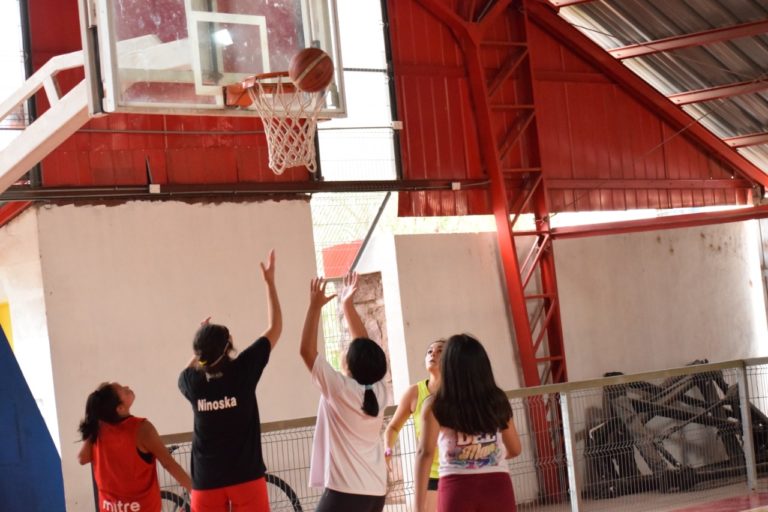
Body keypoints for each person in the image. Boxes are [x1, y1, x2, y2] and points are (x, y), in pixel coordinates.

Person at [178, 249, 281, 512]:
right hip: (246, 477)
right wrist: (270, 284)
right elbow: (275, 327)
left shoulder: (194, 383)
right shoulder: (243, 370)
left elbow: (185, 372)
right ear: (228, 348)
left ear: (200, 354)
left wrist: (200, 349)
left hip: (206, 482)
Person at [300, 273, 389, 512]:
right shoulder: (379, 389)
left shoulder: (340, 389)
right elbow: (364, 346)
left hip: (346, 493)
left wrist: (314, 307)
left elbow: (306, 351)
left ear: (349, 364)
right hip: (376, 491)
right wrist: (347, 304)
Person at [415, 334, 522, 512]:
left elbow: (425, 453)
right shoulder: (497, 399)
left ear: (448, 366)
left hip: (455, 487)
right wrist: (486, 455)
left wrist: (418, 507)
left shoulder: (435, 404)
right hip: (497, 486)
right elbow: (515, 449)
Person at [78, 382, 192, 512]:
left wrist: (94, 424)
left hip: (109, 508)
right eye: (123, 390)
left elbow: (82, 458)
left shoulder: (99, 429)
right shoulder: (142, 429)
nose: (127, 387)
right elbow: (168, 464)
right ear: (120, 408)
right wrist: (193, 490)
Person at [384, 339, 445, 512]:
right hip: (430, 473)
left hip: (457, 470)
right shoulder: (414, 393)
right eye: (430, 351)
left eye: (440, 351)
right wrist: (387, 449)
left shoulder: (459, 392)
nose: (433, 354)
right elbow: (393, 427)